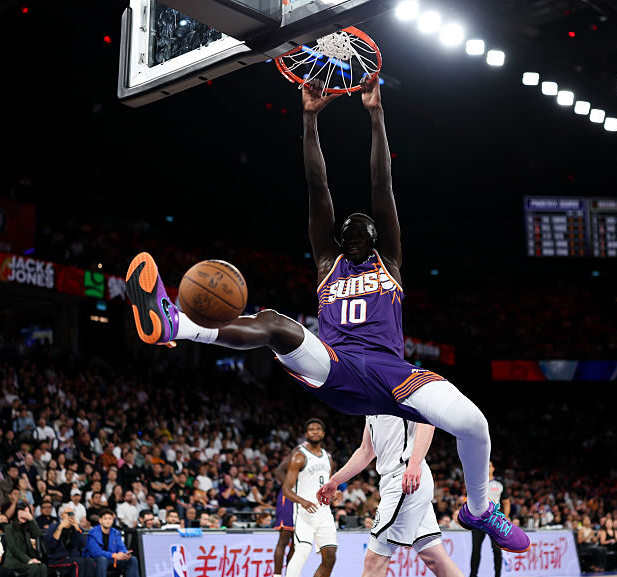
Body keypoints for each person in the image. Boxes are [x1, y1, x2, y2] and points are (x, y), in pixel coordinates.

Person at [124, 78, 529, 554]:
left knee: (475, 423)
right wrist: (310, 118)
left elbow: (382, 184)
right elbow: (318, 186)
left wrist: (376, 114)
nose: (355, 238)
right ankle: (175, 323)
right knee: (276, 325)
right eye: (347, 235)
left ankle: (479, 509)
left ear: (378, 239)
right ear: (337, 239)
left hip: (393, 373)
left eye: (364, 234)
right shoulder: (326, 262)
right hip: (336, 364)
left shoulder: (389, 261)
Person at [317, 414, 464, 577]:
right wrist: (335, 480)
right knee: (435, 558)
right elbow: (366, 451)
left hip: (405, 478)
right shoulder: (370, 409)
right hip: (395, 481)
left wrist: (414, 463)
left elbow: (427, 422)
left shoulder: (399, 397)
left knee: (374, 561)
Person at [278, 420, 337, 577]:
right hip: (305, 514)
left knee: (330, 557)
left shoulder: (328, 458)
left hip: (324, 513)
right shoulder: (299, 456)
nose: (315, 431)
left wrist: (335, 494)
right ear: (306, 434)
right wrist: (302, 501)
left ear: (323, 433)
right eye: (311, 429)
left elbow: (327, 486)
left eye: (318, 429)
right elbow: (286, 489)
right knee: (302, 551)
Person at [469, 462, 511, 577]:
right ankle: (473, 575)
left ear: (493, 468)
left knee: (497, 549)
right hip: (478, 519)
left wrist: (506, 517)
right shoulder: (476, 482)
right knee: (476, 549)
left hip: (494, 520)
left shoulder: (499, 483)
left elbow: (506, 502)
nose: (487, 468)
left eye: (489, 466)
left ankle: (497, 575)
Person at [44, 504, 96, 577]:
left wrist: (77, 530)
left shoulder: (75, 528)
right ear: (61, 515)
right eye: (67, 513)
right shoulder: (53, 527)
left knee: (90, 561)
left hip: (72, 557)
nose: (70, 516)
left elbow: (83, 545)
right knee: (78, 562)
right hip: (57, 559)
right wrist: (59, 529)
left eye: (72, 514)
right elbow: (50, 546)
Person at [85, 509, 138, 577]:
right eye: (105, 519)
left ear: (113, 521)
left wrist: (124, 554)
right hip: (97, 560)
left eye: (110, 519)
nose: (108, 521)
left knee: (132, 559)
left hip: (113, 559)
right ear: (100, 520)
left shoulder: (116, 533)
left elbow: (121, 547)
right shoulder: (93, 532)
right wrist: (113, 555)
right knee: (102, 559)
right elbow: (95, 552)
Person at [271, 453, 296, 577]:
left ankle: (290, 574)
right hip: (288, 499)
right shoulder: (296, 457)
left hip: (301, 501)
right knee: (284, 539)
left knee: (297, 543)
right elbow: (278, 471)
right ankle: (277, 575)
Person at [1, 507, 45, 577]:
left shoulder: (28, 526)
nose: (25, 515)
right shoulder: (9, 528)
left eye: (27, 513)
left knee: (43, 567)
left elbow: (39, 535)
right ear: (17, 513)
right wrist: (28, 560)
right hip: (14, 560)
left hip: (28, 558)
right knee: (34, 568)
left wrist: (31, 520)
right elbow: (13, 547)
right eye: (23, 512)